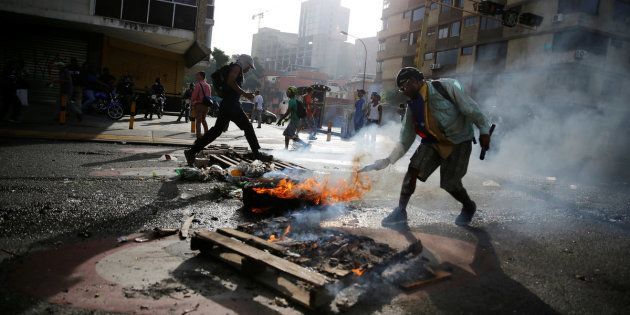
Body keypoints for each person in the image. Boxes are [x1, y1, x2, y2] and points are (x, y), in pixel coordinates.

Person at [361, 67, 492, 227]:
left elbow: (470, 109)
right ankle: (400, 211)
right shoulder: (412, 107)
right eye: (401, 88)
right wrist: (388, 160)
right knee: (413, 169)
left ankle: (468, 206)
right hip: (433, 142)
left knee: (450, 183)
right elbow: (405, 139)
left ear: (414, 81)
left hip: (459, 141)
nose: (403, 91)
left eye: (404, 87)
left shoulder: (446, 87)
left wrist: (484, 131)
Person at [184, 54, 270, 165]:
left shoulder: (236, 68)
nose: (249, 69)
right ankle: (257, 153)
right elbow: (230, 81)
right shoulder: (237, 67)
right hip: (232, 105)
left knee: (216, 131)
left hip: (227, 105)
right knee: (247, 127)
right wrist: (245, 94)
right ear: (244, 62)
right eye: (249, 66)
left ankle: (192, 151)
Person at [191, 72, 211, 138]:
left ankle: (199, 136)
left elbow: (194, 95)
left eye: (198, 75)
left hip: (199, 105)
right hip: (206, 105)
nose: (196, 76)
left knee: (198, 121)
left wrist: (192, 102)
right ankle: (207, 134)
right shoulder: (208, 85)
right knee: (203, 120)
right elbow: (209, 96)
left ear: (201, 76)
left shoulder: (198, 85)